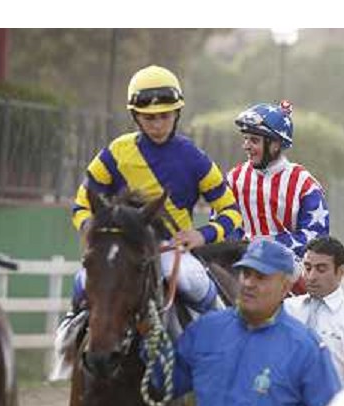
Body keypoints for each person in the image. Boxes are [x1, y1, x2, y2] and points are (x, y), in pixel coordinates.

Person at [55, 65, 242, 364]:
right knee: (82, 282)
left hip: (171, 250)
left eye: (165, 116)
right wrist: (95, 232)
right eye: (149, 118)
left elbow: (232, 213)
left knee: (196, 283)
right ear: (136, 117)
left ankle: (226, 344)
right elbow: (81, 205)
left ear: (177, 114)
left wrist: (201, 234)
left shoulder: (194, 158)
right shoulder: (115, 152)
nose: (157, 124)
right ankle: (68, 340)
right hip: (123, 249)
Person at [146, 238, 341, 406]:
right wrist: (147, 335)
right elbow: (162, 384)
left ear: (285, 287)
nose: (249, 283)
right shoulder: (205, 330)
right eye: (246, 274)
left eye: (261, 277)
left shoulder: (306, 349)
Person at [227, 100, 329, 263]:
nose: (246, 146)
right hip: (241, 264)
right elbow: (223, 225)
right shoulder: (234, 178)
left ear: (275, 144)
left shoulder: (304, 183)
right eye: (245, 139)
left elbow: (317, 237)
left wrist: (266, 245)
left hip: (289, 268)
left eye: (254, 140)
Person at [284, 236, 344, 387]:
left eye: (321, 269)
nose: (311, 276)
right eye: (307, 268)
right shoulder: (287, 309)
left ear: (341, 271)